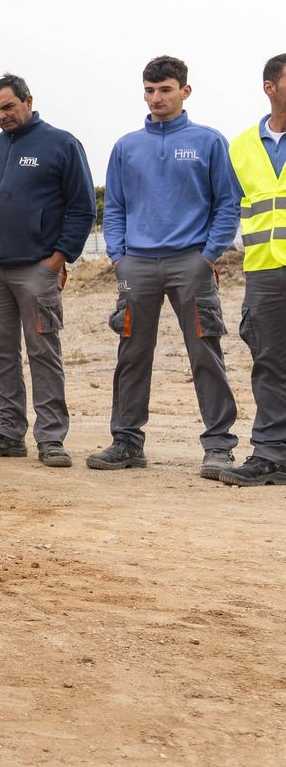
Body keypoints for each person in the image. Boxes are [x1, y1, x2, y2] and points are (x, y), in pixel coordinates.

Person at [89, 57, 240, 478]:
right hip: (136, 265)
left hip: (190, 263)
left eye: (166, 90)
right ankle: (126, 441)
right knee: (132, 353)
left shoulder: (209, 141)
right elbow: (115, 206)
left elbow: (227, 204)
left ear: (184, 92)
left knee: (204, 352)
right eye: (150, 91)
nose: (157, 98)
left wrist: (208, 256)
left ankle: (218, 446)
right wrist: (119, 258)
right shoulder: (126, 146)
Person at [0, 73, 95, 468]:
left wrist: (59, 258)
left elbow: (83, 206)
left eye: (8, 107)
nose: (2, 116)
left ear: (28, 100)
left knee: (43, 351)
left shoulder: (61, 144)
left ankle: (51, 438)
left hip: (36, 268)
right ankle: (8, 432)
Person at [217, 53, 286, 486]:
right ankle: (270, 453)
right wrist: (209, 255)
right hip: (264, 272)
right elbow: (227, 208)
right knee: (269, 362)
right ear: (270, 87)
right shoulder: (240, 146)